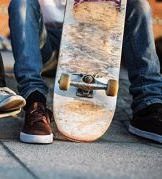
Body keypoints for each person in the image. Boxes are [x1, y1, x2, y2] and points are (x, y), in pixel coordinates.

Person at [8, 0, 162, 144]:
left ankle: (148, 105)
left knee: (138, 4)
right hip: (45, 44)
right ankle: (35, 103)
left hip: (88, 41)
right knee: (22, 3)